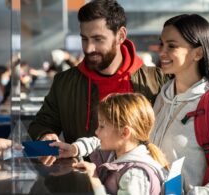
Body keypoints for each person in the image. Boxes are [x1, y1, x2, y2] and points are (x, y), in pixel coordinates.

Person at [28, 0, 166, 164]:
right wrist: (45, 135)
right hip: (84, 182)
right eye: (84, 39)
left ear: (120, 35)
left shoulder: (157, 81)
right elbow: (42, 123)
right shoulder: (64, 83)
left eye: (98, 39)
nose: (88, 48)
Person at [150, 14, 209, 194]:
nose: (162, 52)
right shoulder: (161, 98)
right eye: (161, 44)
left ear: (198, 53)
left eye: (171, 46)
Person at [51, 93, 169, 195]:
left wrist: (94, 178)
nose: (97, 132)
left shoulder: (134, 175)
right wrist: (74, 148)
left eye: (102, 126)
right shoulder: (118, 151)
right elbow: (95, 143)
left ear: (124, 132)